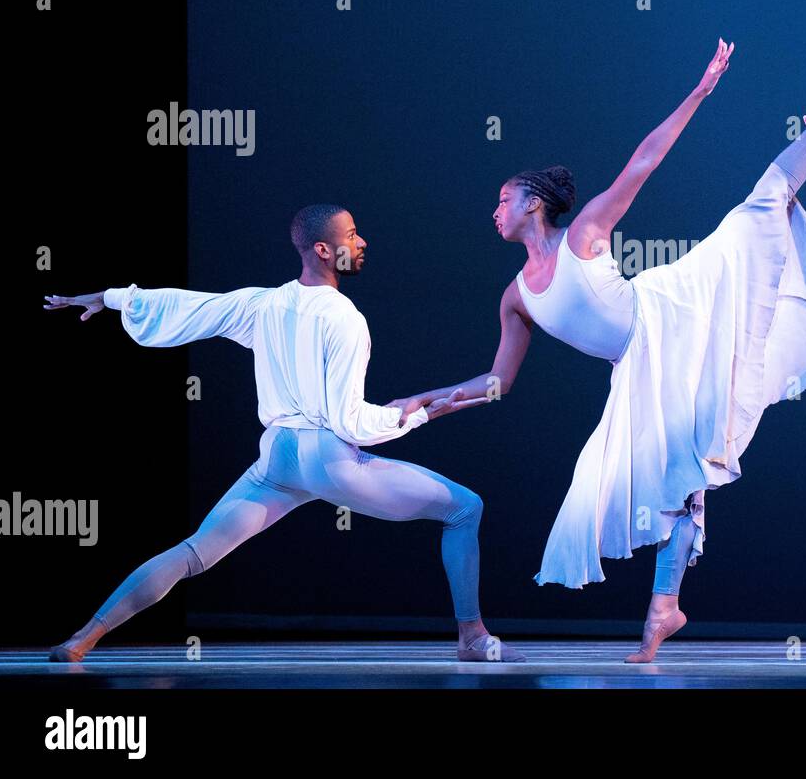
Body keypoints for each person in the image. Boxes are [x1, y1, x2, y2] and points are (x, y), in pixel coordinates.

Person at [399, 40, 806, 661]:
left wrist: (701, 89)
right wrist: (425, 403)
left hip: (670, 311)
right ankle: (664, 606)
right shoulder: (516, 297)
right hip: (637, 367)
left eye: (503, 199)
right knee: (663, 476)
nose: (494, 210)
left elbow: (644, 161)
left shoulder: (583, 234)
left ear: (533, 204)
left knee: (759, 208)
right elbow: (498, 382)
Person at [43, 204, 523, 663]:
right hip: (328, 460)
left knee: (194, 552)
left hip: (276, 458)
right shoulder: (344, 319)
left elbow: (187, 308)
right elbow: (349, 422)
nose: (362, 242)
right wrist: (418, 413)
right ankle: (472, 637)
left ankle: (85, 637)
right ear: (321, 249)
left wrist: (112, 298)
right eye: (352, 235)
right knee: (464, 508)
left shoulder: (264, 303)